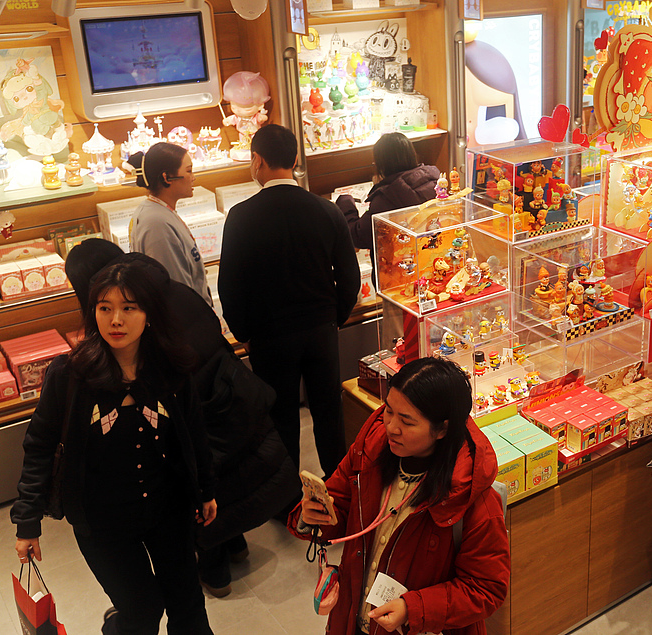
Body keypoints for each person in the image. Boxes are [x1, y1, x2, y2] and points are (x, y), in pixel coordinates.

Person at [65, 239, 300, 598]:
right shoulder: (171, 289)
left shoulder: (127, 323)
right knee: (230, 479)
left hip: (195, 414)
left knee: (199, 491)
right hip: (231, 393)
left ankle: (217, 575)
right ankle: (238, 547)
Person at [12, 259, 217, 634]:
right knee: (141, 610)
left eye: (129, 308)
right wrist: (27, 522)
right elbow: (39, 445)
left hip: (169, 509)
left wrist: (205, 489)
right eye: (105, 308)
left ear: (150, 314)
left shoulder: (171, 368)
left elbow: (193, 433)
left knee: (188, 605)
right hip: (102, 523)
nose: (116, 320)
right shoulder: (70, 375)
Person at [287, 356, 510, 635]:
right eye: (389, 411)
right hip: (353, 617)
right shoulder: (369, 450)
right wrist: (313, 517)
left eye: (406, 421)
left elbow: (486, 588)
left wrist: (414, 609)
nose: (391, 427)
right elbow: (341, 506)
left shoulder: (471, 497)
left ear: (442, 429)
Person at [219, 124, 360, 479]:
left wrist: (243, 333)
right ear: (296, 160)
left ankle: (286, 500)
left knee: (279, 416)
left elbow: (229, 285)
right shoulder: (325, 210)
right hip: (320, 329)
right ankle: (338, 486)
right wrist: (334, 318)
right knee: (329, 409)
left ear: (257, 161)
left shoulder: (241, 216)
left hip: (269, 336)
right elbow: (350, 276)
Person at [336, 131, 440, 279]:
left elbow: (359, 236)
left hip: (398, 276)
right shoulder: (434, 181)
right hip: (433, 265)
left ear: (382, 164)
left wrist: (345, 202)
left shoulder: (388, 196)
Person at [127, 142, 212, 306]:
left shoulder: (159, 213)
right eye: (188, 171)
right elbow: (175, 289)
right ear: (166, 177)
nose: (193, 177)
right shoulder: (156, 223)